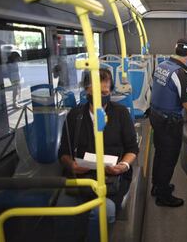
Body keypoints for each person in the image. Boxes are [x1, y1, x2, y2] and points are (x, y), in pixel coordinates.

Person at [58, 68, 139, 240]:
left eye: (105, 92)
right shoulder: (75, 116)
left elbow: (132, 149)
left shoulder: (120, 113)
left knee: (103, 211)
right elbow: (63, 152)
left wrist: (122, 166)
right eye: (96, 92)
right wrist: (70, 164)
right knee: (63, 208)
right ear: (87, 91)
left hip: (111, 181)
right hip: (82, 179)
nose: (102, 96)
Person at [149, 37, 187, 207]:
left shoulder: (161, 66)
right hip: (170, 122)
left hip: (155, 116)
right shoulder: (181, 73)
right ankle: (163, 196)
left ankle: (157, 186)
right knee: (168, 157)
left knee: (160, 153)